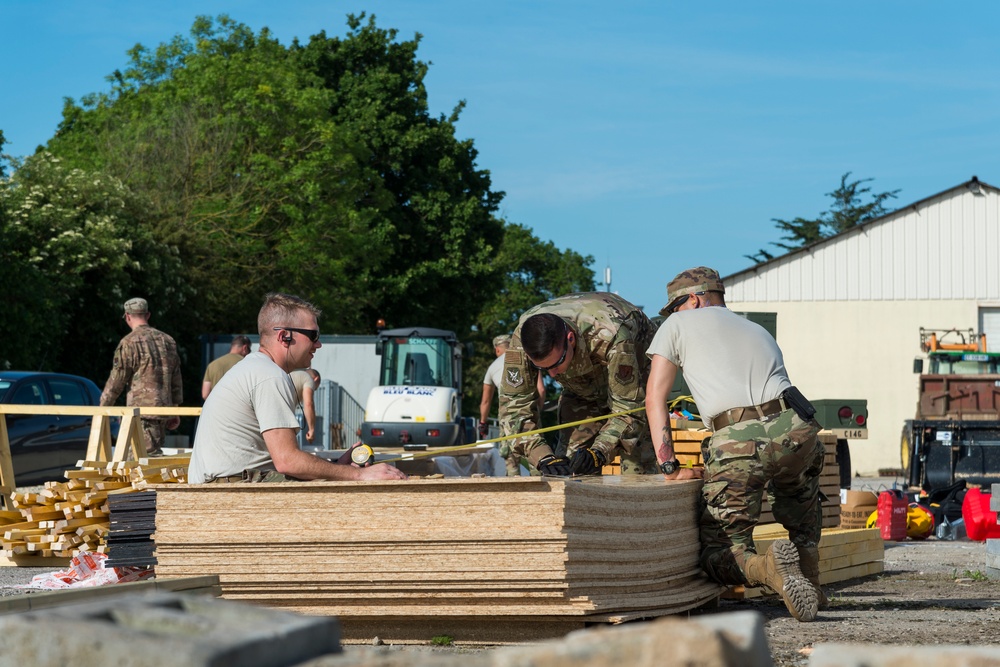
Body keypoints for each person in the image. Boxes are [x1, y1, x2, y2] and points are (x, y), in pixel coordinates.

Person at [645, 266, 825, 623]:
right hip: (796, 429)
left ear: (694, 299)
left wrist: (670, 467)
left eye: (676, 305)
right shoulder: (755, 329)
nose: (674, 314)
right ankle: (814, 585)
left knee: (721, 552)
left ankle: (769, 569)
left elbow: (655, 398)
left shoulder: (676, 326)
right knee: (801, 511)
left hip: (737, 440)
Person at [188, 292, 407, 484]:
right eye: (313, 335)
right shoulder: (269, 376)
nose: (318, 344)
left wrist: (337, 466)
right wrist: (358, 475)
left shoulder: (255, 368)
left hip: (224, 485)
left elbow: (284, 461)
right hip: (227, 493)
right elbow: (287, 461)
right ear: (284, 336)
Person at [498, 292, 658, 476]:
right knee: (567, 469)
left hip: (637, 379)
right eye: (543, 368)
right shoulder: (522, 338)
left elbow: (629, 409)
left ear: (570, 339)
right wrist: (542, 457)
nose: (552, 374)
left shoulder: (612, 334)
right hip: (582, 389)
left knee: (637, 472)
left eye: (557, 364)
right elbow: (514, 409)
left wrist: (599, 452)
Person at [100, 297, 183, 457]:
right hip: (163, 410)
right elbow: (176, 378)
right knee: (151, 458)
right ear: (148, 315)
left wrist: (104, 406)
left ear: (128, 316)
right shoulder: (167, 341)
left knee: (140, 460)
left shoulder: (129, 342)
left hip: (141, 412)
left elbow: (117, 378)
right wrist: (175, 409)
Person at [480, 334, 544, 475]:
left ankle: (516, 491)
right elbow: (541, 390)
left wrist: (483, 423)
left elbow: (485, 401)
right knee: (536, 453)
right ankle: (542, 489)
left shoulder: (492, 368)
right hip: (529, 411)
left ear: (497, 350)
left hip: (507, 417)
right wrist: (538, 410)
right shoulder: (528, 357)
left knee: (511, 461)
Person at [290, 368, 321, 444]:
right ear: (316, 379)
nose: (313, 389)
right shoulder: (308, 378)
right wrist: (311, 429)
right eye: (315, 388)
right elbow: (308, 404)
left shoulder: (291, 375)